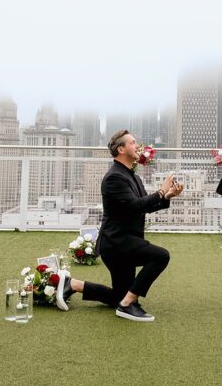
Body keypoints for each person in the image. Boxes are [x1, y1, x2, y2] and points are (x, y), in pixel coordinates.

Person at [54, 130, 183, 322]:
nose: (137, 145)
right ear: (121, 149)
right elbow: (133, 205)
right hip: (117, 244)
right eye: (132, 143)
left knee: (118, 296)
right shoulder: (114, 177)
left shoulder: (134, 177)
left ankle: (73, 284)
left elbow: (143, 206)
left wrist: (167, 196)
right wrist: (161, 190)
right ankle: (128, 304)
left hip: (127, 241)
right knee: (161, 256)